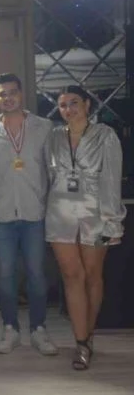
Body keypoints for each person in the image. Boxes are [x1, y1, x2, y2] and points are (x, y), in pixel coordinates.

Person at [45, 85, 125, 370]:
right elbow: (49, 174)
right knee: (71, 276)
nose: (68, 109)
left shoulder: (105, 135)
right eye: (63, 105)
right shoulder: (54, 136)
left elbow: (112, 180)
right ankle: (80, 342)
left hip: (97, 214)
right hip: (60, 213)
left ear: (87, 105)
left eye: (74, 103)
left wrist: (111, 220)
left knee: (92, 276)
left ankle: (88, 335)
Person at [0, 73, 58, 356]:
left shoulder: (43, 126)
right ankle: (10, 328)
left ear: (21, 94)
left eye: (12, 92)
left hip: (34, 212)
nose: (8, 98)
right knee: (6, 274)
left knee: (36, 273)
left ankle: (38, 329)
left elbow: (52, 169)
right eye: (2, 94)